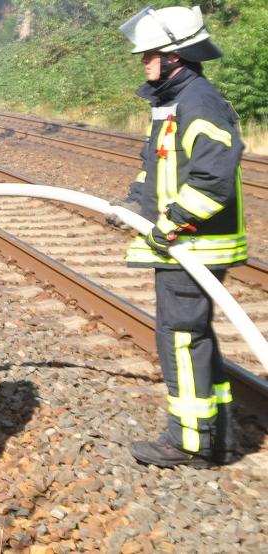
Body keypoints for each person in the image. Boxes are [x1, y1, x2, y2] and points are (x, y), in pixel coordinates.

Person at [117, 5, 246, 467]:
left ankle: (188, 442)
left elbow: (212, 176)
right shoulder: (174, 102)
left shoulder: (199, 103)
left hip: (191, 245)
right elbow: (157, 167)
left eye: (149, 54)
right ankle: (220, 435)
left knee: (182, 339)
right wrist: (135, 201)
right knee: (196, 337)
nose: (143, 61)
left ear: (175, 57)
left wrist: (168, 225)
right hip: (184, 245)